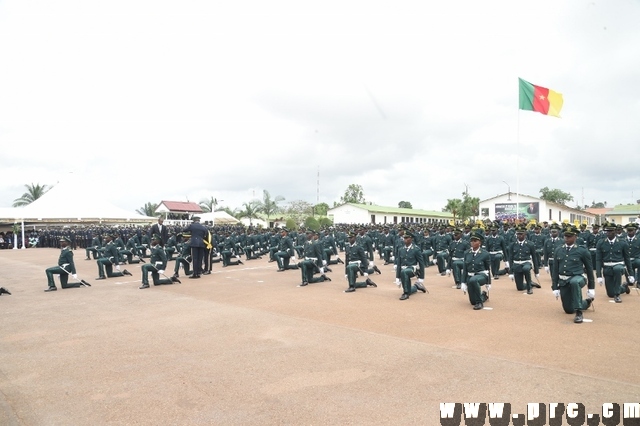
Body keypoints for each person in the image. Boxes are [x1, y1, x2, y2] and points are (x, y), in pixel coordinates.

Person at [551, 225, 595, 323]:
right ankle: (586, 303)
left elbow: (589, 269)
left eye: (569, 236)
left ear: (575, 237)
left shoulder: (582, 251)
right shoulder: (558, 250)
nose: (567, 238)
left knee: (574, 283)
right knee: (568, 309)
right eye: (565, 236)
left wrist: (591, 287)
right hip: (563, 280)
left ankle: (579, 312)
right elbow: (555, 270)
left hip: (578, 277)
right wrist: (554, 286)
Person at [595, 222, 634, 302]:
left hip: (619, 266)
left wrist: (631, 274)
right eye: (607, 231)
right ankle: (624, 287)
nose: (608, 233)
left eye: (610, 231)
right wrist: (598, 275)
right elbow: (598, 260)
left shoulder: (622, 243)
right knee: (610, 294)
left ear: (615, 231)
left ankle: (617, 295)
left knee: (617, 269)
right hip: (607, 267)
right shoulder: (601, 243)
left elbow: (627, 259)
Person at [460, 230, 491, 310]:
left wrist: (489, 283)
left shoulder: (485, 254)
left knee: (473, 280)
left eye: (475, 241)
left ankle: (480, 303)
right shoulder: (467, 253)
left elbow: (488, 269)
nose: (472, 243)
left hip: (482, 276)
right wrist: (463, 282)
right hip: (470, 276)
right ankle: (483, 296)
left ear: (479, 242)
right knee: (473, 302)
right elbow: (465, 268)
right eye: (471, 241)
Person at [507, 225, 540, 294]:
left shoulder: (530, 244)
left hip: (526, 263)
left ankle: (529, 287)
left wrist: (536, 271)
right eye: (518, 234)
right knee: (520, 288)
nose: (519, 236)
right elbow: (510, 258)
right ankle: (531, 283)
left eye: (521, 234)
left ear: (525, 234)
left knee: (526, 269)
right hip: (516, 265)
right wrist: (510, 272)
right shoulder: (512, 245)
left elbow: (534, 258)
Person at [394, 231, 426, 300]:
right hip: (404, 269)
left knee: (404, 272)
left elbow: (421, 263)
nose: (405, 240)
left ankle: (405, 293)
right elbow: (399, 264)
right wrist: (397, 277)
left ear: (411, 239)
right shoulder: (401, 249)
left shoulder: (416, 249)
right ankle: (416, 287)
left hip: (413, 269)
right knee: (404, 273)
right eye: (404, 238)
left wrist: (421, 277)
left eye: (407, 238)